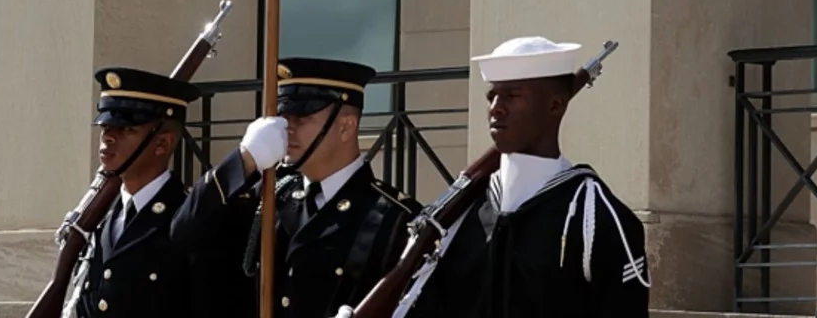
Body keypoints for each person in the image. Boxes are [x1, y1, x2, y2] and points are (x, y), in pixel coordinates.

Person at [395, 36, 645, 318]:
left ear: (556, 105)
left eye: (513, 96)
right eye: (492, 96)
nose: (496, 108)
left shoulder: (595, 218)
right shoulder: (460, 215)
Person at [172, 57, 415, 318]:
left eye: (302, 117)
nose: (288, 128)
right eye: (283, 117)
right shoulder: (269, 198)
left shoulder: (395, 219)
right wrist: (243, 161)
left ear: (346, 127)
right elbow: (182, 235)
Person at [69, 66, 199, 318]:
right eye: (106, 126)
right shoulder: (100, 216)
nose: (108, 136)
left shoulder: (187, 220)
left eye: (126, 129)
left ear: (163, 143)